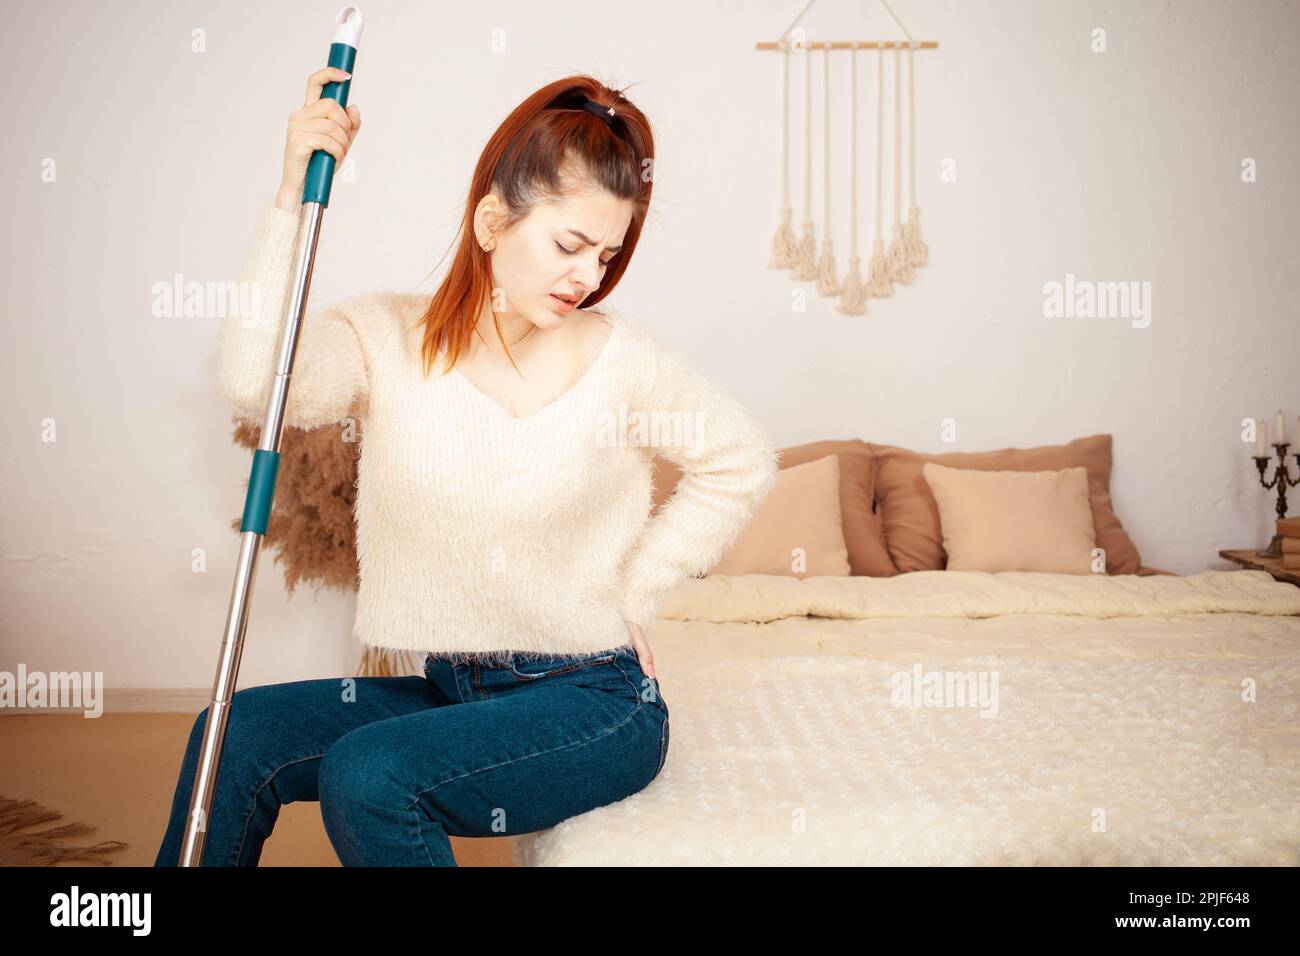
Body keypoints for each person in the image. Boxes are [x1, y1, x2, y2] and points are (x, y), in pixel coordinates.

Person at [155, 70, 778, 866]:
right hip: (458, 688)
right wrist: (288, 198)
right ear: (492, 220)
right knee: (232, 733)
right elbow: (254, 382)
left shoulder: (623, 359)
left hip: (595, 701)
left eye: (608, 254)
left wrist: (641, 585)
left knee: (371, 775)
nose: (589, 276)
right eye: (569, 245)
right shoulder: (384, 338)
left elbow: (740, 457)